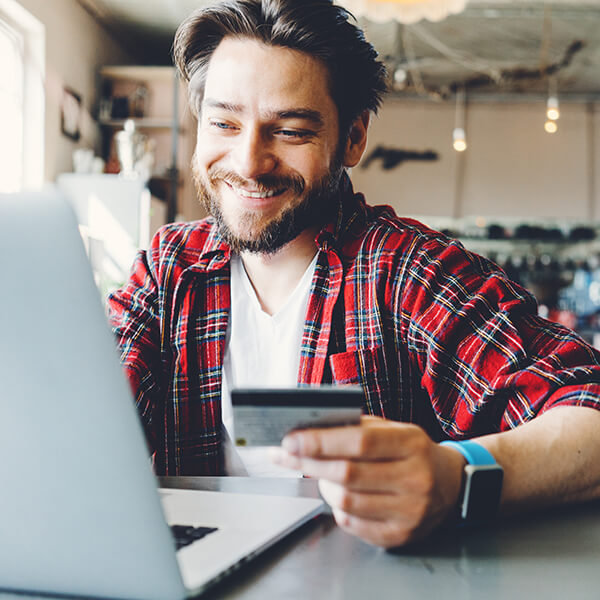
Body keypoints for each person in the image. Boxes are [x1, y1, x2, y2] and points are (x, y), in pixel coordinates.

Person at [107, 0, 600, 548]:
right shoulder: (167, 270)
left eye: (290, 131)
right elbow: (92, 410)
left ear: (353, 139)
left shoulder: (411, 272)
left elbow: (588, 407)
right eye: (223, 123)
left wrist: (454, 475)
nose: (248, 162)